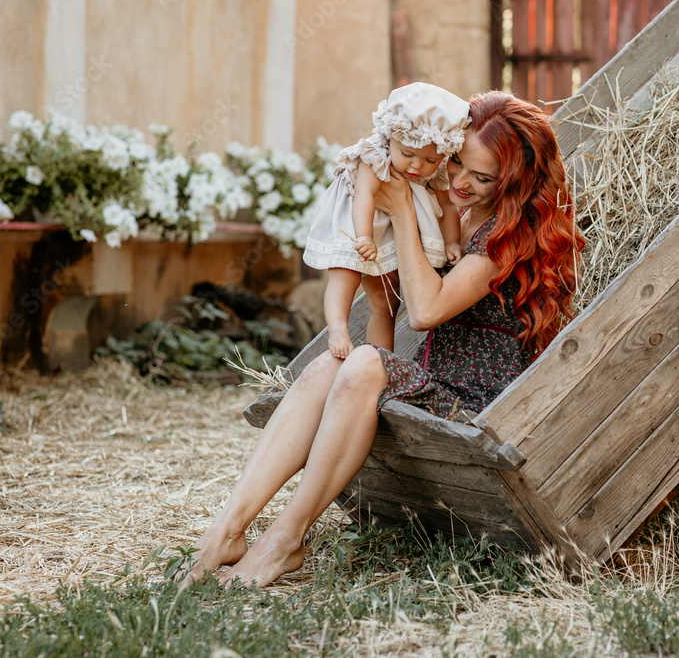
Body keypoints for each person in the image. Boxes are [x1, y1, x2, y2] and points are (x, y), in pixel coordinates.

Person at [182, 91, 584, 589]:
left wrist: (401, 213)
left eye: (482, 178)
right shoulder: (452, 201)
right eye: (456, 162)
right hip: (435, 385)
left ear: (516, 182)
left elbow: (427, 310)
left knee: (366, 363)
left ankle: (284, 541)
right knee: (330, 364)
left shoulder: (510, 234)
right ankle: (227, 530)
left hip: (482, 407)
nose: (460, 182)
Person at [302, 82, 470, 360]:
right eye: (407, 155)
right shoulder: (374, 156)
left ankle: (381, 359)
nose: (417, 166)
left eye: (429, 160)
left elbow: (448, 206)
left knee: (387, 300)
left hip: (390, 229)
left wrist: (452, 240)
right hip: (355, 222)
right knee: (346, 272)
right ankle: (338, 328)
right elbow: (364, 197)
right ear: (390, 137)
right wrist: (364, 236)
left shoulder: (435, 168)